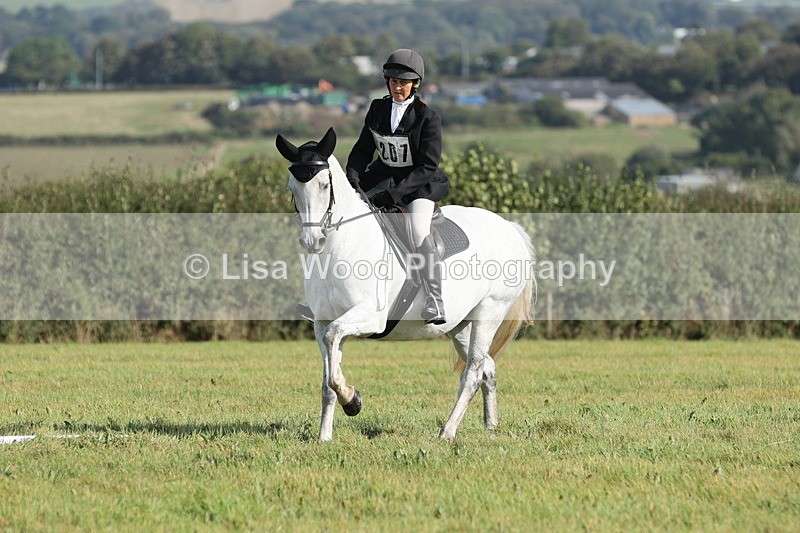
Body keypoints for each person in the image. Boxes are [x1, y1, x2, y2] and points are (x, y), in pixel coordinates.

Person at [346, 48, 449, 325]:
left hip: (419, 186)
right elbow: (363, 148)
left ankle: (435, 300)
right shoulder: (378, 109)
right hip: (383, 177)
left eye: (403, 82)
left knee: (417, 231)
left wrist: (393, 194)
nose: (398, 86)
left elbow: (427, 166)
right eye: (393, 81)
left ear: (414, 83)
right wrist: (353, 176)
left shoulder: (428, 118)